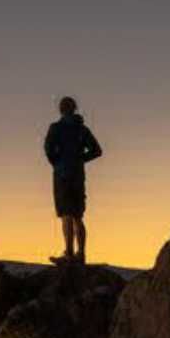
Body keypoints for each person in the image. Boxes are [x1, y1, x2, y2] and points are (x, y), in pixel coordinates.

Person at [44, 96, 102, 264]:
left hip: (62, 175)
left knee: (66, 215)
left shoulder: (56, 128)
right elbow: (97, 150)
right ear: (74, 108)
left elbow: (48, 149)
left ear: (61, 109)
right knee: (77, 215)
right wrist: (79, 159)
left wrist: (58, 163)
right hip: (77, 175)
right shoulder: (82, 129)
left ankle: (69, 254)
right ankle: (81, 254)